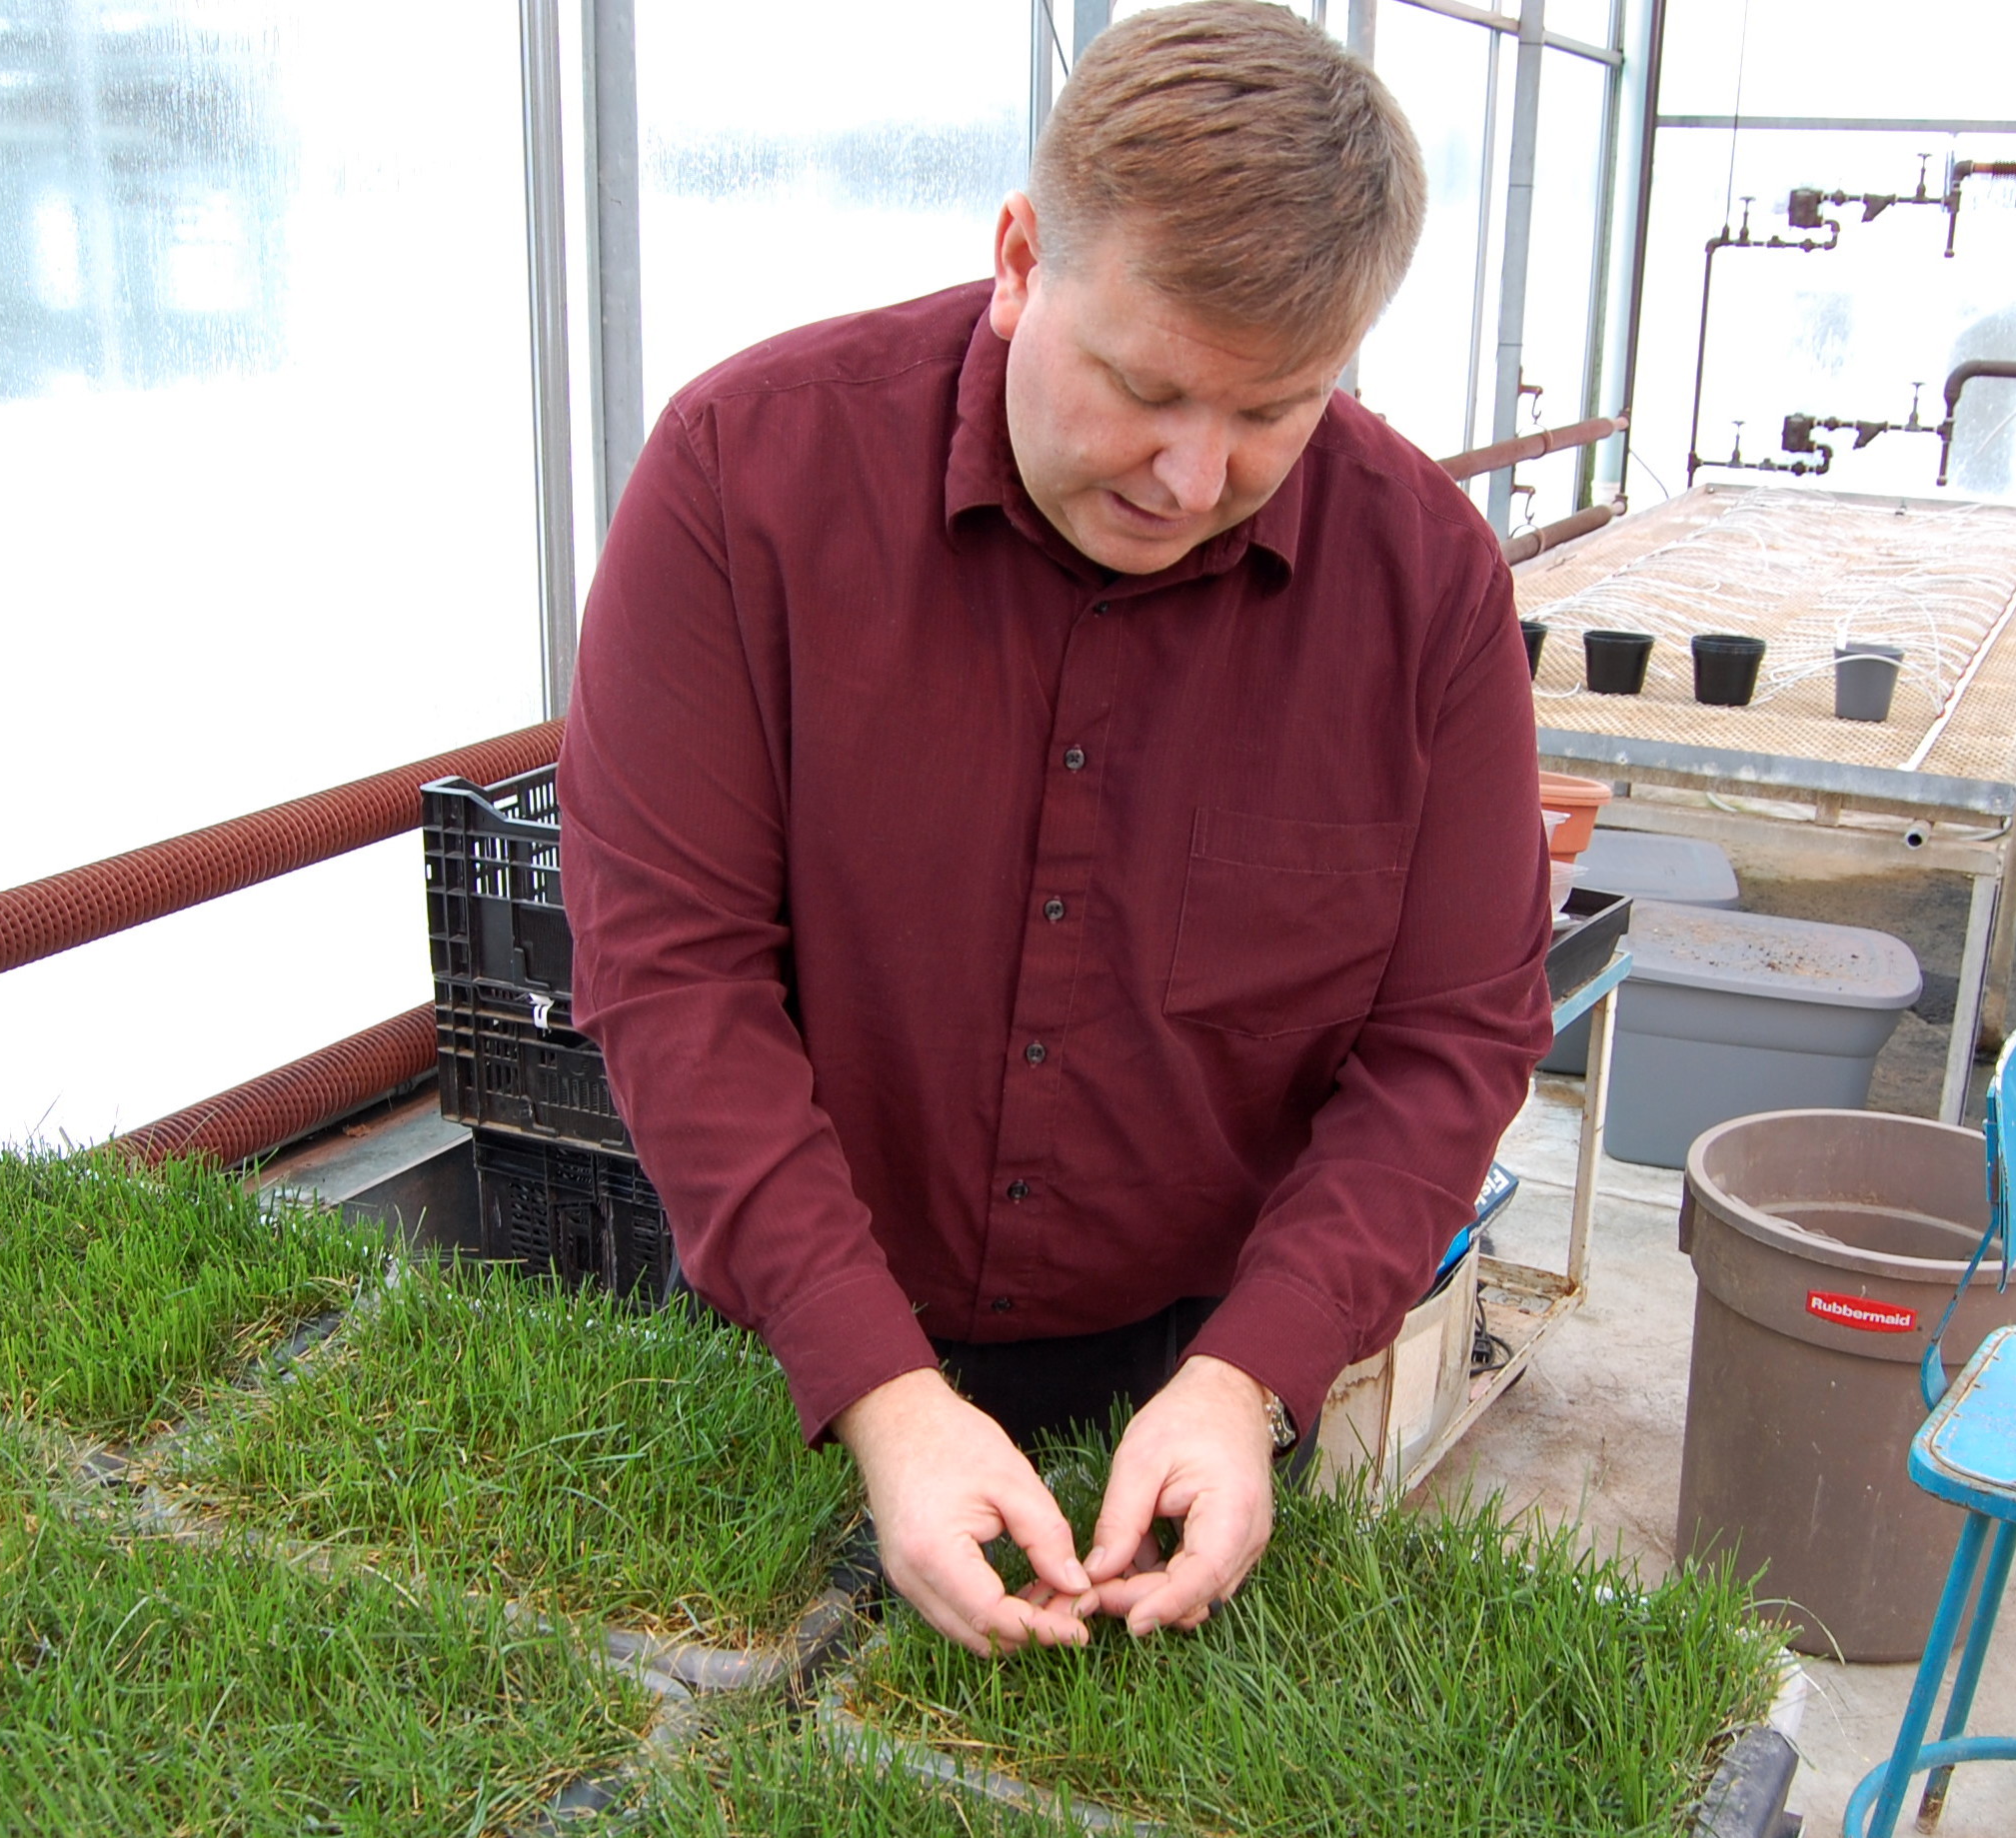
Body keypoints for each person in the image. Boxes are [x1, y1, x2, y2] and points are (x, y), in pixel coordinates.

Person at [558, 0, 1553, 1658]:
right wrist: (878, 1388)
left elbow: (1452, 1032)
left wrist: (1250, 1378)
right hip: (780, 1331)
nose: (1190, 473)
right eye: (1146, 386)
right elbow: (676, 973)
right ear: (1021, 257)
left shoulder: (1424, 583)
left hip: (1187, 1378)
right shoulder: (747, 478)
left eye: (1273, 412)